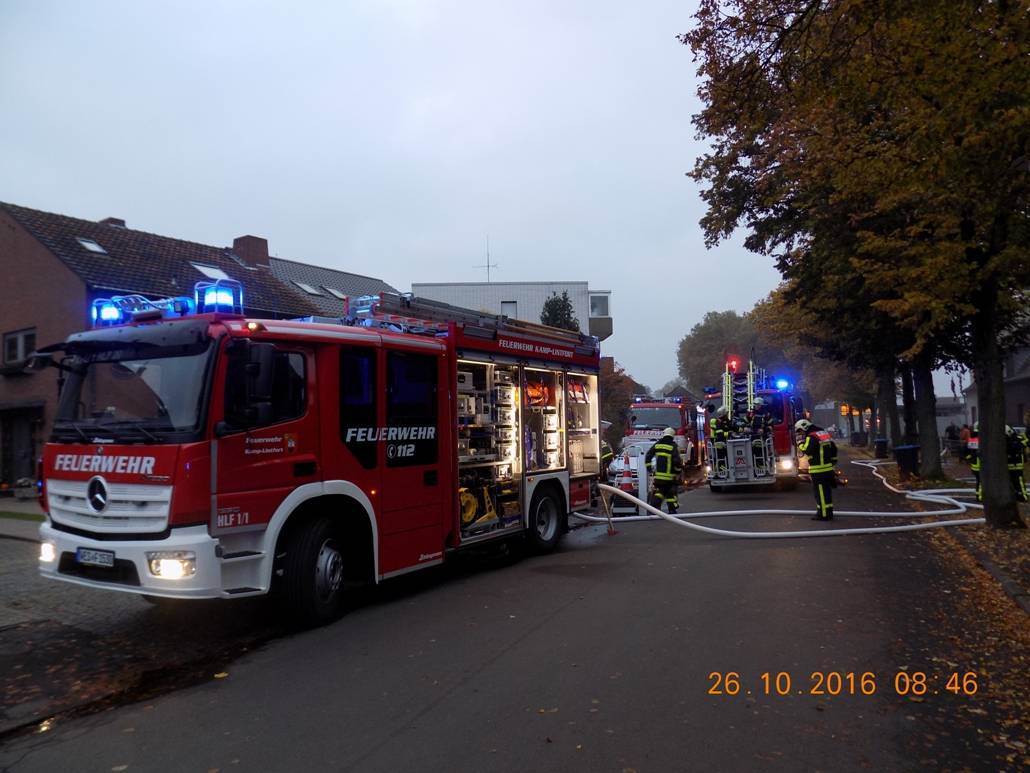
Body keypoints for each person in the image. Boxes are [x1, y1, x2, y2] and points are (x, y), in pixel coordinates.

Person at [795, 419, 838, 521]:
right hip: (828, 469)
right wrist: (832, 462)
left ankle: (823, 515)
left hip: (818, 471)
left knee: (820, 494)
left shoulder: (811, 436)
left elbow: (808, 450)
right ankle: (828, 512)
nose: (801, 434)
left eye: (801, 431)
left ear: (805, 427)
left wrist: (800, 443)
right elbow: (834, 449)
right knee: (827, 493)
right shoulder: (823, 434)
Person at [646, 427, 683, 514]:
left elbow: (648, 455)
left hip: (659, 478)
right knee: (671, 494)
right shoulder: (673, 446)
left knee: (660, 492)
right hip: (670, 478)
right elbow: (677, 461)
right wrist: (678, 471)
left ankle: (654, 508)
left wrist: (649, 468)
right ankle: (672, 510)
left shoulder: (657, 444)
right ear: (672, 435)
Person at [1006, 425, 1028, 503]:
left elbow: (1025, 443)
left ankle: (1023, 496)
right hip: (1011, 465)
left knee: (1019, 481)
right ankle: (1018, 496)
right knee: (1015, 482)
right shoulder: (1006, 440)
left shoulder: (1016, 439)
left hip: (1016, 464)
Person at [709, 405, 731, 475]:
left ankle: (723, 470)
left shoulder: (725, 421)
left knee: (723, 457)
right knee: (721, 457)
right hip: (718, 443)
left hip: (721, 442)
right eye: (726, 413)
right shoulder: (718, 422)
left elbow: (730, 427)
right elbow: (720, 434)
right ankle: (721, 470)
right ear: (723, 414)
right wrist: (729, 433)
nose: (727, 414)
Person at [962, 423, 981, 501]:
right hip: (980, 465)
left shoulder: (972, 437)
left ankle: (978, 496)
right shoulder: (982, 437)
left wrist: (969, 458)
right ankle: (979, 497)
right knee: (981, 482)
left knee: (979, 481)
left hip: (974, 465)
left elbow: (968, 451)